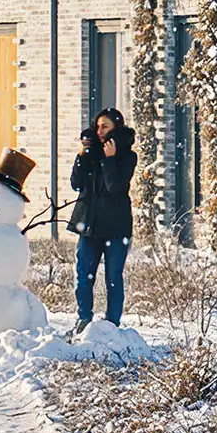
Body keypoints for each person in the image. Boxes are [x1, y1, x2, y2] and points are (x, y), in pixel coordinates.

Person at [69, 110, 136, 332]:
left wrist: (110, 160)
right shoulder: (91, 153)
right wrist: (82, 156)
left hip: (116, 227)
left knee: (113, 277)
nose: (99, 132)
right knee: (83, 274)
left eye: (105, 127)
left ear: (116, 128)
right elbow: (76, 184)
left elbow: (115, 187)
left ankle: (111, 325)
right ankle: (83, 320)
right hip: (89, 225)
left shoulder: (127, 156)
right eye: (97, 127)